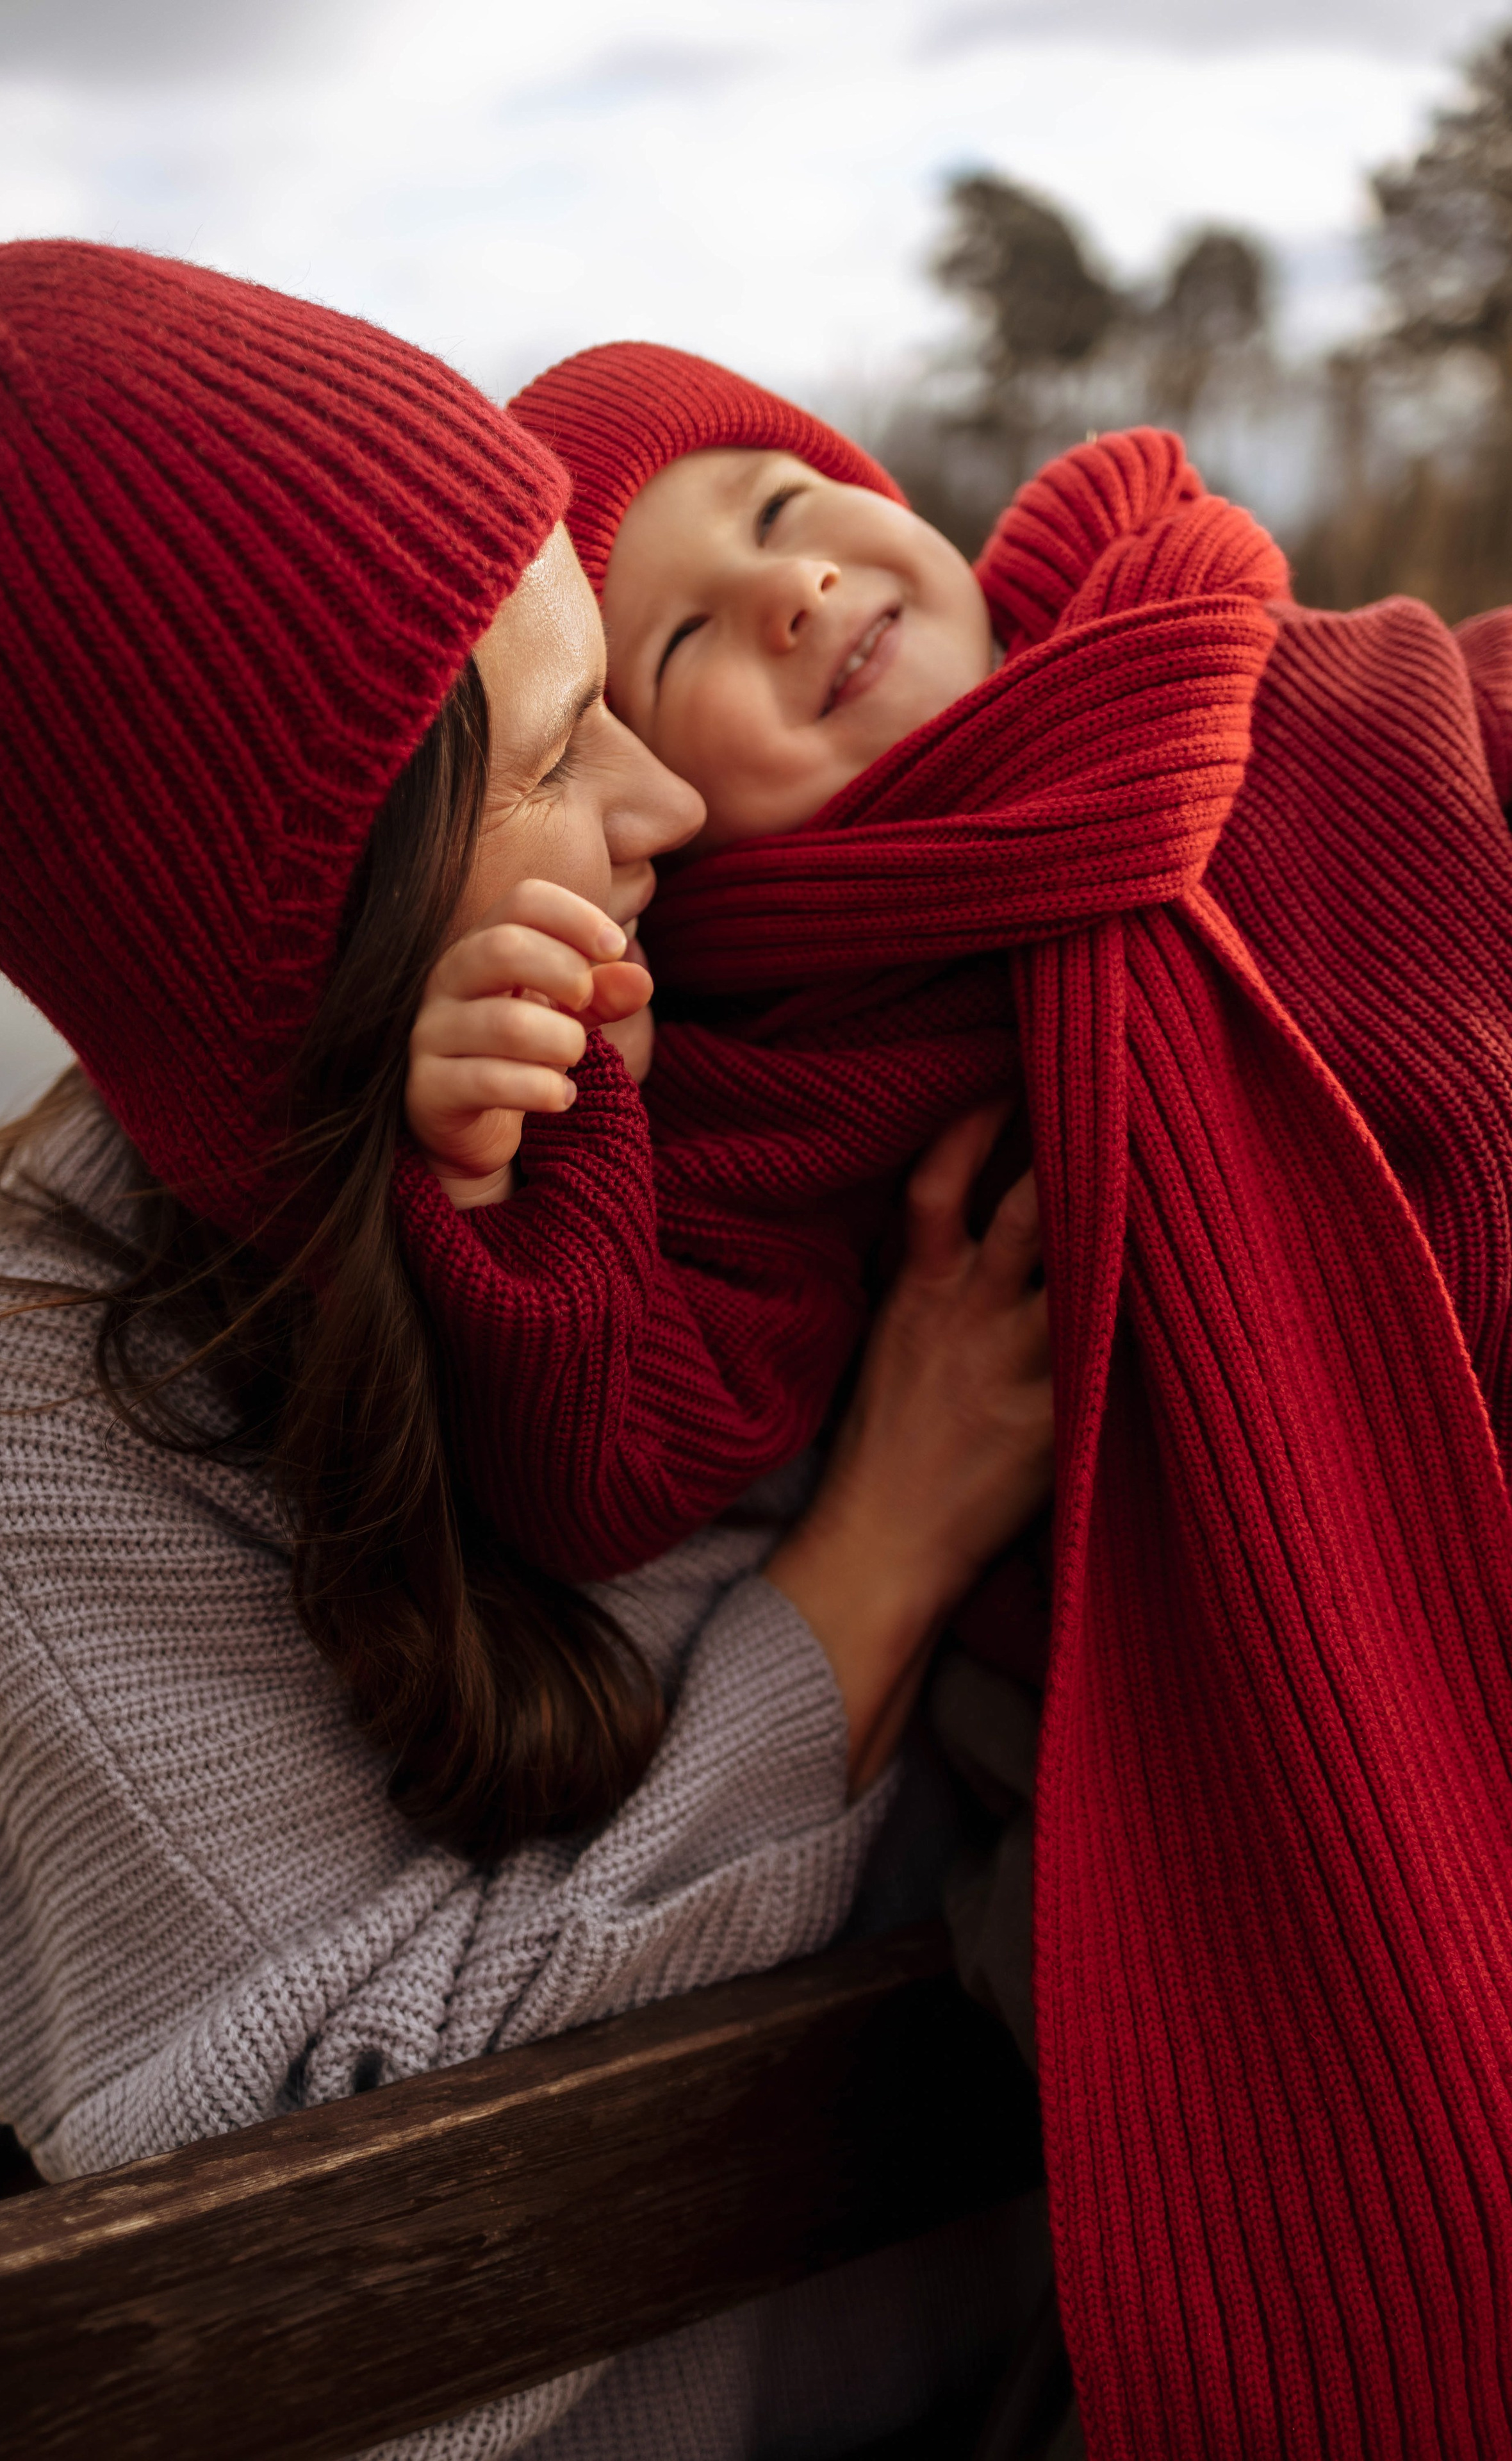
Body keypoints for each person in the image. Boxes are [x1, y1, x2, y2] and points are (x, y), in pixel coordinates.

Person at [0, 245, 1058, 2460]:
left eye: (619, 685)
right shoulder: (37, 1422)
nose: (666, 810)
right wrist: (878, 1559)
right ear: (319, 914)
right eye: (543, 755)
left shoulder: (732, 1035)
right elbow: (360, 2238)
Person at [377, 342, 1512, 2461]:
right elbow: (620, 1447)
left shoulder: (1258, 679)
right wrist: (518, 1162)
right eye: (691, 629)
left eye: (790, 510)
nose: (795, 591)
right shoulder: (770, 1036)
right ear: (647, 796)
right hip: (1180, 1733)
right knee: (1277, 2190)